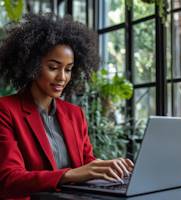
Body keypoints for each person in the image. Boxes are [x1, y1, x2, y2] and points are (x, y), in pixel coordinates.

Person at [0, 14, 134, 199]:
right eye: (53, 67)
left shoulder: (74, 114)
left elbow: (86, 163)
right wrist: (68, 175)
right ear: (31, 65)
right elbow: (10, 179)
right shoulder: (5, 110)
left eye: (68, 69)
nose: (62, 77)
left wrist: (107, 167)